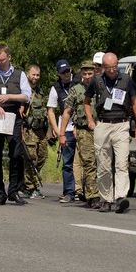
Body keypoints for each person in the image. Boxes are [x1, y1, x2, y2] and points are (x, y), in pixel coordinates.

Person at [84, 52, 136, 213]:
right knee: (103, 165)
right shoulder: (96, 81)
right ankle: (106, 198)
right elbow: (86, 102)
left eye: (114, 67)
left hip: (121, 125)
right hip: (102, 124)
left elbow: (135, 103)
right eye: (108, 67)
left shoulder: (126, 80)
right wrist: (90, 120)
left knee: (122, 163)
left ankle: (120, 197)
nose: (111, 70)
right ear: (103, 67)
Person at [0, 44, 32, 205]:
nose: (0, 62)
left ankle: (13, 191)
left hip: (13, 117)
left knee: (16, 155)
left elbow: (27, 96)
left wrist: (10, 97)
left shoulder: (20, 74)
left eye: (2, 59)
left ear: (9, 57)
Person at [58, 60, 99, 208]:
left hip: (101, 129)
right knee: (89, 163)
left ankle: (102, 192)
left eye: (90, 73)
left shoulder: (100, 88)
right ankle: (92, 195)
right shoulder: (76, 90)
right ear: (81, 74)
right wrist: (62, 134)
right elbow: (67, 112)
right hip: (83, 130)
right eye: (85, 74)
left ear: (95, 73)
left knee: (102, 162)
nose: (88, 76)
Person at [47, 59, 76, 203]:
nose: (66, 74)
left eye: (68, 71)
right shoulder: (55, 88)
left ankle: (84, 192)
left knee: (85, 162)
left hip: (80, 127)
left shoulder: (79, 81)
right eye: (63, 72)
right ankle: (69, 192)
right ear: (58, 73)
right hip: (66, 129)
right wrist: (57, 130)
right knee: (67, 163)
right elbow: (51, 110)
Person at [21, 65, 48, 199]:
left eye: (38, 75)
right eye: (33, 75)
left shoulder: (40, 91)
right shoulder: (24, 91)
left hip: (40, 130)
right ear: (28, 75)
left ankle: (28, 182)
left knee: (43, 156)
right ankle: (30, 187)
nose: (36, 77)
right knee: (31, 159)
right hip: (28, 130)